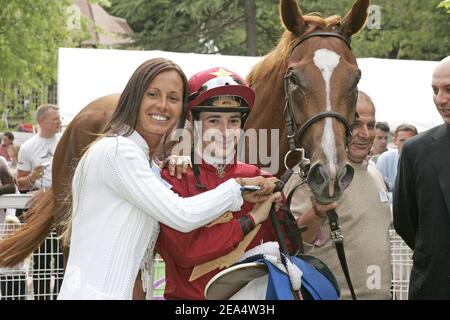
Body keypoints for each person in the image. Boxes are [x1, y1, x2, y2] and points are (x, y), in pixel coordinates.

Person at [57, 58, 279, 300]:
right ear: (135, 97)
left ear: (181, 112)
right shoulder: (119, 151)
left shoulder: (147, 163)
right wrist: (240, 193)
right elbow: (182, 216)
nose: (163, 105)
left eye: (173, 98)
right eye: (153, 94)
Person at [155, 67, 291, 300]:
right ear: (193, 122)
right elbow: (187, 253)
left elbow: (283, 249)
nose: (225, 131)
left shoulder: (263, 180)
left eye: (234, 121)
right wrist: (253, 219)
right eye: (214, 120)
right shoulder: (173, 178)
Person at [284, 91, 392, 299]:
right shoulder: (314, 175)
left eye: (371, 125)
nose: (365, 134)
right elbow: (291, 245)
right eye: (355, 125)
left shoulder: (374, 172)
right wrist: (317, 212)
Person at [393, 56, 450, 299]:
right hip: (434, 286)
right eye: (435, 90)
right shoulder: (416, 150)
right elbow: (406, 220)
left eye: (449, 89)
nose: (440, 99)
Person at [13, 104, 62, 299]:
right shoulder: (28, 147)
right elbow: (21, 183)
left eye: (59, 118)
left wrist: (50, 192)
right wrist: (33, 176)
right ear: (42, 121)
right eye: (55, 118)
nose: (60, 122)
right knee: (42, 259)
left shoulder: (65, 141)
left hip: (62, 206)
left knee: (61, 258)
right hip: (40, 209)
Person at [0, 156, 22, 299]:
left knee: (9, 270)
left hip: (2, 225)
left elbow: (12, 187)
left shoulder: (0, 161)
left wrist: (10, 216)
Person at [376, 124, 417, 192]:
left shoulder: (423, 160)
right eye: (402, 140)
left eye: (410, 140)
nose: (406, 144)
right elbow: (379, 189)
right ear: (395, 141)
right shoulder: (385, 158)